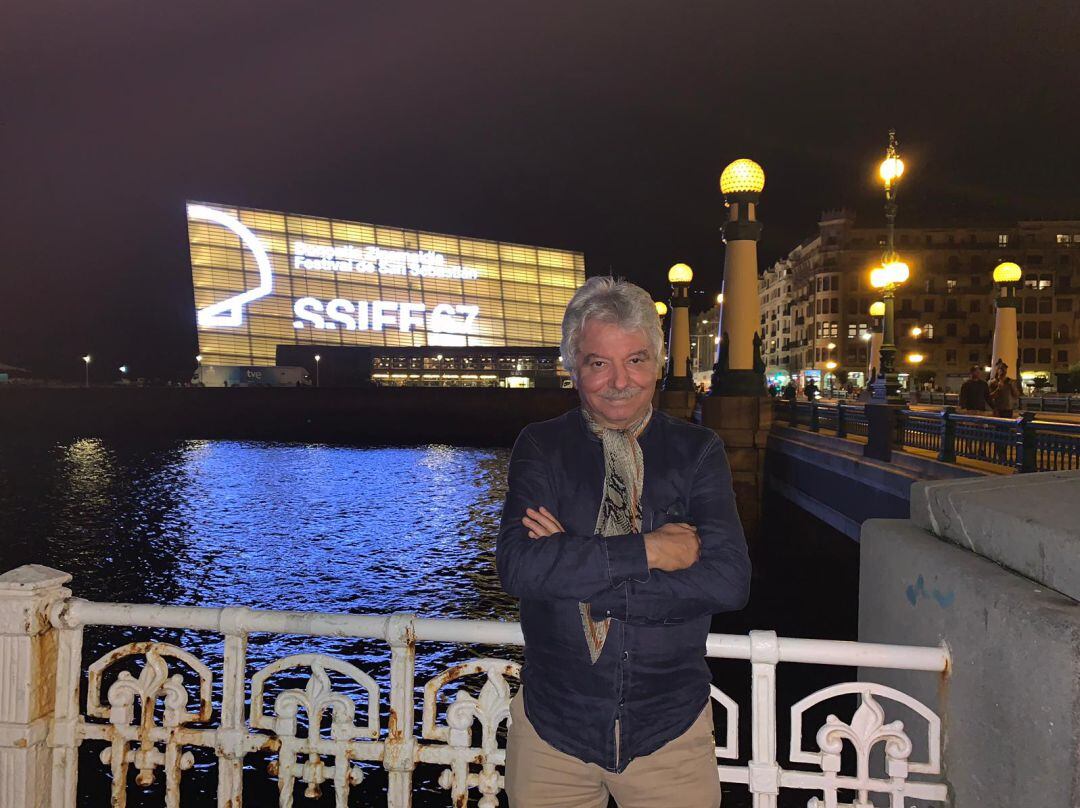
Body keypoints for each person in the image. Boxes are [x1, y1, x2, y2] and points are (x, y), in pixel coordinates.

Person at [496, 276, 750, 808]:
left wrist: (589, 578)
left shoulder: (697, 450)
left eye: (635, 360)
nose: (619, 382)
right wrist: (652, 550)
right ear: (573, 368)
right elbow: (520, 567)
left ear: (658, 363)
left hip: (670, 733)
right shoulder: (541, 446)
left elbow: (728, 581)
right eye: (597, 363)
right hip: (553, 733)